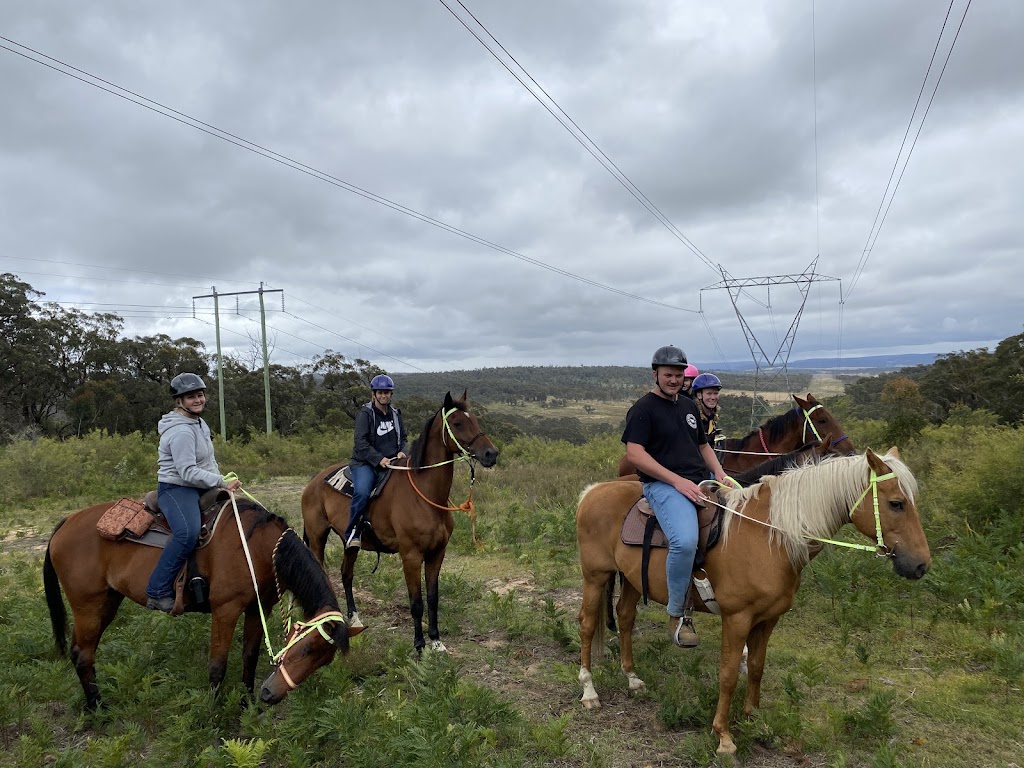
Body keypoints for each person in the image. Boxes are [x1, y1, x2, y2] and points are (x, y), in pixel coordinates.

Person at [621, 346, 733, 648]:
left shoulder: (687, 406)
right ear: (656, 374)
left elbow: (703, 445)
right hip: (663, 486)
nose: (673, 380)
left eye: (678, 375)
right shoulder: (643, 409)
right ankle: (678, 615)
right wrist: (676, 481)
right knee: (684, 542)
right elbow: (634, 453)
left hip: (700, 481)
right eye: (668, 374)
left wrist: (720, 475)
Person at [146, 373, 242, 613]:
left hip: (200, 485)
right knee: (187, 533)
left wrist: (220, 482)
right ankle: (157, 591)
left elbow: (207, 461)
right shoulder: (181, 432)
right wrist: (220, 481)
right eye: (191, 397)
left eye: (200, 395)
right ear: (179, 401)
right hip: (177, 488)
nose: (198, 400)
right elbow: (187, 471)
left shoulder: (199, 422)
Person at [343, 373, 408, 549]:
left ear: (391, 394)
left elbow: (404, 439)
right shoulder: (366, 414)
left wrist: (402, 452)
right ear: (374, 394)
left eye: (386, 393)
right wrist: (379, 459)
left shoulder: (395, 414)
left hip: (393, 462)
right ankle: (353, 532)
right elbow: (360, 443)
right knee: (363, 492)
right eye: (380, 392)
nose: (383, 395)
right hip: (365, 463)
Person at [691, 373, 725, 456]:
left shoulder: (712, 417)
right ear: (699, 395)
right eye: (709, 394)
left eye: (716, 393)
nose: (713, 397)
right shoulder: (693, 417)